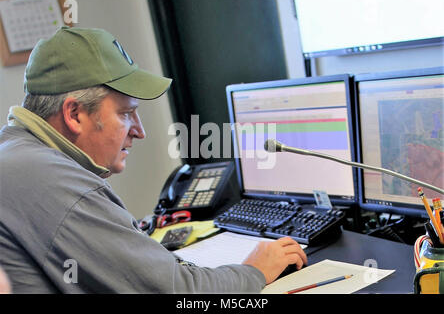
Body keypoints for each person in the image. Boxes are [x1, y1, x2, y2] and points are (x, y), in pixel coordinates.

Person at [0, 27, 307, 293]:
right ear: (74, 114)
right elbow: (177, 293)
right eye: (125, 113)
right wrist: (254, 270)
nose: (140, 131)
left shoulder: (14, 153)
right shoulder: (57, 183)